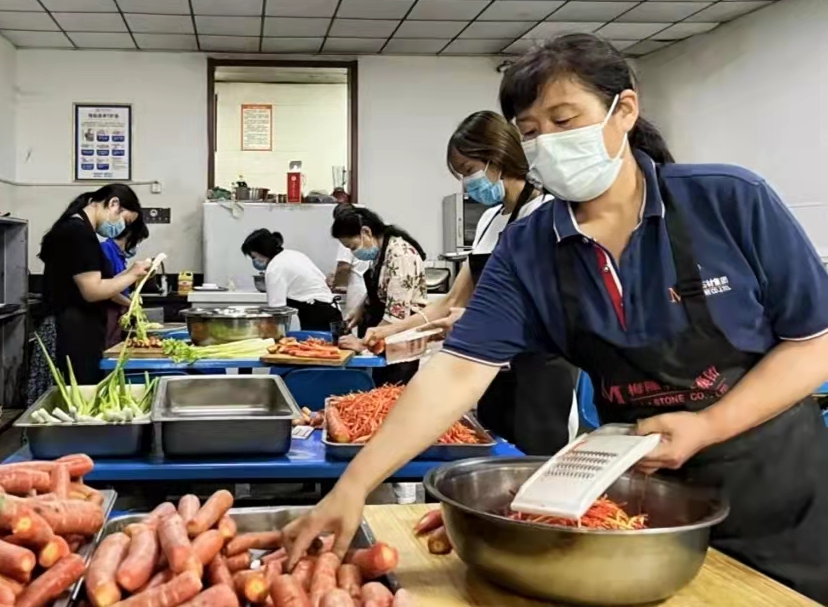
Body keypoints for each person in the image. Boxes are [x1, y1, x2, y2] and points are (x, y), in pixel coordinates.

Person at [284, 33, 828, 603]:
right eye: (531, 131)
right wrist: (353, 486)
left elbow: (814, 342)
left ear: (624, 110)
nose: (548, 143)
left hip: (777, 494)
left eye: (565, 120)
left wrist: (709, 425)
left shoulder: (728, 201)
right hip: (643, 505)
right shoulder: (529, 249)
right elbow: (455, 372)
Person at [363, 111, 579, 455]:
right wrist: (389, 331)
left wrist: (476, 321)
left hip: (540, 370)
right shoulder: (489, 220)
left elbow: (554, 305)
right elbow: (452, 301)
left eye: (469, 170)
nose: (467, 183)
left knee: (533, 462)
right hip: (490, 367)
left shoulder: (547, 212)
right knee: (492, 456)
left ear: (497, 157)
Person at [39, 184, 149, 384]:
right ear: (113, 203)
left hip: (77, 329)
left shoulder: (78, 230)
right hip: (70, 332)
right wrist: (133, 274)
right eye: (125, 221)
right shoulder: (78, 233)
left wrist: (131, 273)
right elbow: (92, 291)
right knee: (77, 393)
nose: (121, 228)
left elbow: (102, 283)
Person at [332, 206, 428, 386]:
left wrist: (362, 343)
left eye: (352, 247)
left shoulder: (400, 255)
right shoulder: (381, 252)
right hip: (383, 340)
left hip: (400, 344)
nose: (353, 252)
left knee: (393, 396)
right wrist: (360, 309)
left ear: (366, 232)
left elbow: (396, 314)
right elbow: (381, 289)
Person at [241, 228, 342, 331]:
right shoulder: (294, 255)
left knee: (316, 341)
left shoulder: (275, 267)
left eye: (253, 256)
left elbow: (277, 310)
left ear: (262, 251)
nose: (254, 260)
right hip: (333, 310)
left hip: (316, 315)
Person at [100, 216, 150, 347]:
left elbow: (118, 281)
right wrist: (132, 305)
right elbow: (108, 289)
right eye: (138, 242)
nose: (136, 246)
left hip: (117, 312)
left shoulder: (119, 256)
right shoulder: (105, 250)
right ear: (131, 236)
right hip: (106, 313)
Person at [329, 204, 369, 320]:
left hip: (358, 291)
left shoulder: (347, 236)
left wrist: (335, 285)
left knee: (354, 324)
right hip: (368, 288)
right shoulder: (364, 234)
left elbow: (344, 267)